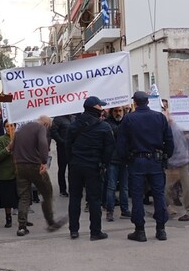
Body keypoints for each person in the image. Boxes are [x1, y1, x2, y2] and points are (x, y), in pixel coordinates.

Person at [117, 92, 174, 242]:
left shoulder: (129, 119)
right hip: (155, 160)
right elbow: (169, 140)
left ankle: (140, 230)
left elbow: (121, 143)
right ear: (147, 102)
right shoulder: (159, 117)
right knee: (158, 196)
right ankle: (161, 229)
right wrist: (166, 155)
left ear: (135, 102)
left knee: (137, 196)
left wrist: (125, 159)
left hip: (137, 161)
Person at [66, 96, 114, 241]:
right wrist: (104, 164)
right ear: (96, 109)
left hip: (76, 166)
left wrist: (72, 161)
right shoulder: (104, 127)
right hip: (93, 166)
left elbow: (67, 146)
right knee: (94, 199)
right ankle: (95, 232)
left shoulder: (74, 125)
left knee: (74, 198)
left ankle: (74, 230)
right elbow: (109, 149)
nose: (103, 109)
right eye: (101, 107)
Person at [12, 115, 67, 237]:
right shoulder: (40, 128)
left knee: (24, 196)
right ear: (46, 124)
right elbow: (42, 143)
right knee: (47, 192)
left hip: (20, 166)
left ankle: (22, 226)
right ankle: (50, 221)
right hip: (35, 165)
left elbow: (12, 146)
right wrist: (43, 161)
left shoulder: (21, 129)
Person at [164, 111, 189, 222]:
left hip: (182, 162)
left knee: (187, 189)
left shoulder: (178, 128)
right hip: (173, 163)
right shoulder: (169, 129)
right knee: (165, 189)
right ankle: (168, 207)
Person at [105, 107, 130, 221]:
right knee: (111, 187)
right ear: (111, 112)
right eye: (115, 111)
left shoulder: (127, 121)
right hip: (112, 159)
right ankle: (110, 211)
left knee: (124, 187)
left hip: (125, 158)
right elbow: (116, 132)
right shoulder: (107, 123)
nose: (118, 113)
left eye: (120, 111)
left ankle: (124, 209)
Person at [0, 120, 18, 228]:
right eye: (7, 126)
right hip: (6, 173)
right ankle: (8, 218)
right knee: (7, 198)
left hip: (19, 172)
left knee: (22, 196)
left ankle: (23, 218)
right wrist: (8, 148)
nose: (10, 128)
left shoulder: (20, 138)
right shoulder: (1, 140)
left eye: (11, 126)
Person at [50, 114, 73, 197]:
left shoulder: (73, 118)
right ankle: (62, 190)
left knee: (72, 169)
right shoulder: (58, 119)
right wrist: (61, 141)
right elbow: (53, 132)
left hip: (72, 148)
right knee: (62, 168)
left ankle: (72, 188)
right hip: (62, 148)